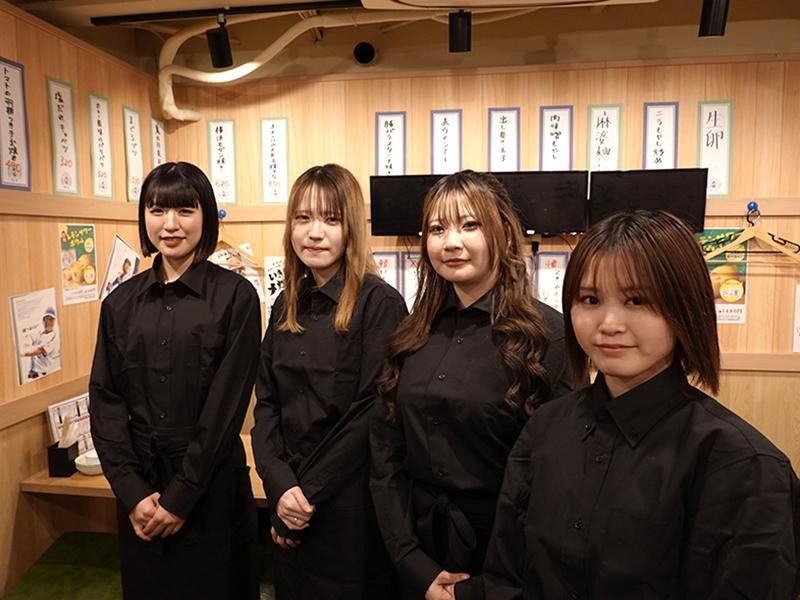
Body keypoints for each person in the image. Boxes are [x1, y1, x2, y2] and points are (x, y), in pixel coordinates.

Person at [484, 209, 800, 599]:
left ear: (685, 307)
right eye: (590, 299)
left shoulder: (745, 466)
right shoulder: (545, 428)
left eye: (637, 300)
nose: (609, 323)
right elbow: (504, 575)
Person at [370, 170, 574, 600]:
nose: (451, 242)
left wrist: (487, 586)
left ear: (503, 232)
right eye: (437, 229)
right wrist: (411, 560)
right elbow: (385, 452)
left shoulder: (549, 336)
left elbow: (559, 476)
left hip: (507, 561)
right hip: (416, 552)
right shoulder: (410, 334)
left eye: (469, 225)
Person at [89, 161, 262, 599]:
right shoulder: (119, 304)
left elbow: (226, 409)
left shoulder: (236, 297)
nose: (170, 224)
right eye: (157, 210)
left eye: (185, 210)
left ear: (206, 216)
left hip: (210, 485)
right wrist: (132, 492)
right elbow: (105, 400)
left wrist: (179, 498)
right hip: (141, 490)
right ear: (144, 217)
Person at [251, 164, 407, 598]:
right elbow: (267, 403)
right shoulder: (286, 303)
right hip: (289, 500)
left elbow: (372, 412)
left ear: (350, 227)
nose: (314, 233)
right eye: (303, 218)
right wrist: (280, 485)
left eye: (330, 219)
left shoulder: (380, 303)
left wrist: (304, 494)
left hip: (351, 506)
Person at [25, 306, 60, 379]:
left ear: (54, 321)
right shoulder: (39, 335)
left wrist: (22, 353)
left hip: (44, 374)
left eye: (50, 320)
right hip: (33, 373)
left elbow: (39, 350)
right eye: (46, 319)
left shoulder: (54, 336)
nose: (48, 322)